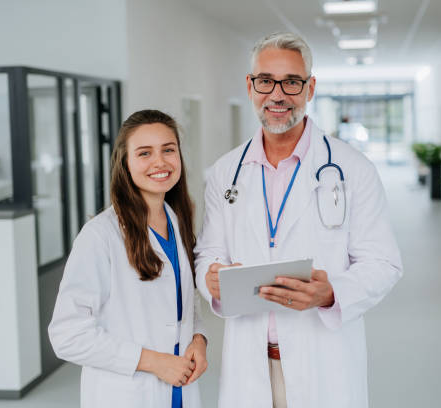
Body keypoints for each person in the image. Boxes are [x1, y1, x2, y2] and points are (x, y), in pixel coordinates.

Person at [195, 32, 403, 408]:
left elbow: (384, 262)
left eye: (291, 82)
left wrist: (333, 293)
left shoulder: (352, 169)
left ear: (310, 88)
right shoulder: (226, 172)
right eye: (266, 81)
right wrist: (210, 278)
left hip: (323, 361)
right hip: (251, 362)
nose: (277, 95)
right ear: (250, 86)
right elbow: (208, 252)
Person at [49, 110, 207, 408]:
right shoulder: (100, 236)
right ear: (125, 163)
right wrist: (153, 362)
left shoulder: (178, 221)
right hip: (127, 393)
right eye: (144, 153)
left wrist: (199, 338)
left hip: (179, 391)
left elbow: (183, 302)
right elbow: (66, 334)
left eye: (168, 150)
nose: (159, 162)